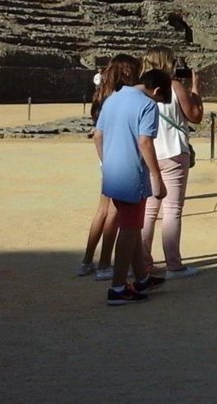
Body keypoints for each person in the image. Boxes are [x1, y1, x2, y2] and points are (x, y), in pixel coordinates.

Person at [94, 68, 171, 305]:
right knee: (128, 229)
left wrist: (107, 162)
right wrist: (157, 177)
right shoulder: (147, 105)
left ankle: (141, 278)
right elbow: (145, 142)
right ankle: (118, 287)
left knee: (133, 225)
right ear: (156, 91)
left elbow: (98, 136)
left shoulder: (112, 98)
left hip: (112, 172)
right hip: (132, 174)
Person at [139, 47, 204, 280]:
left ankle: (142, 262)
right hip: (173, 151)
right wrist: (196, 89)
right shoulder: (174, 86)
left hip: (149, 152)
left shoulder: (140, 90)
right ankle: (173, 264)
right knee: (172, 209)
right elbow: (195, 115)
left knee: (149, 211)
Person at [77, 54, 140, 280]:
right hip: (117, 160)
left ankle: (87, 261)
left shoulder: (104, 95)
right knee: (113, 213)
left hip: (107, 158)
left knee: (103, 211)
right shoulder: (120, 98)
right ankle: (104, 264)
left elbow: (98, 132)